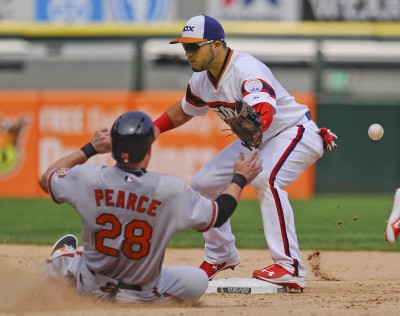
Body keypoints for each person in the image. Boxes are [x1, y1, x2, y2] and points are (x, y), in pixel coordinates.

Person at [153, 15, 337, 290]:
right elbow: (185, 109)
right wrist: (152, 131)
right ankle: (221, 254)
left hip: (294, 131)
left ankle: (290, 266)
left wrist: (256, 125)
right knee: (204, 183)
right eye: (185, 47)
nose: (188, 53)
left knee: (267, 180)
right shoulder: (201, 80)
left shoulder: (247, 70)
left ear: (216, 45)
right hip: (257, 141)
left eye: (195, 46)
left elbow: (265, 112)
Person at [38, 110, 262, 303]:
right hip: (143, 294)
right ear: (149, 151)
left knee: (64, 264)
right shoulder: (170, 189)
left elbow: (46, 178)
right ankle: (71, 257)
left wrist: (90, 148)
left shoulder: (87, 177)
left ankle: (67, 255)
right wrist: (239, 178)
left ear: (113, 147)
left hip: (90, 285)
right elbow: (219, 214)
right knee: (198, 280)